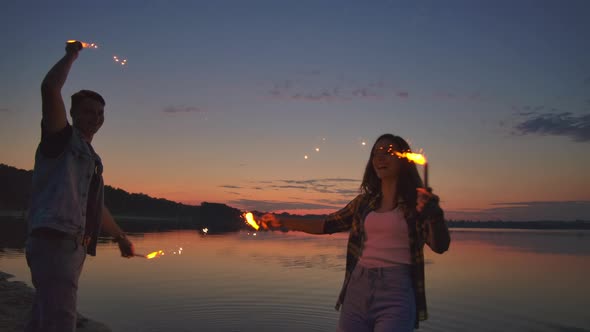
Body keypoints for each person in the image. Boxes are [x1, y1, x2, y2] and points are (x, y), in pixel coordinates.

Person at [261, 134, 450, 331]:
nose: (380, 157)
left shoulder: (417, 204)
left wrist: (433, 213)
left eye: (389, 152)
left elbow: (441, 246)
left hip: (397, 290)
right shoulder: (363, 203)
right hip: (358, 287)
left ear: (404, 160)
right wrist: (282, 221)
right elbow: (326, 225)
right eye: (376, 153)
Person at [25, 41, 135, 332]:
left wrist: (121, 237)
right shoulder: (59, 138)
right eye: (88, 112)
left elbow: (97, 207)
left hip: (73, 247)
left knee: (44, 316)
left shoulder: (93, 159)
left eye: (100, 113)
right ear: (73, 113)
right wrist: (71, 54)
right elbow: (50, 89)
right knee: (61, 321)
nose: (96, 118)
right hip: (53, 241)